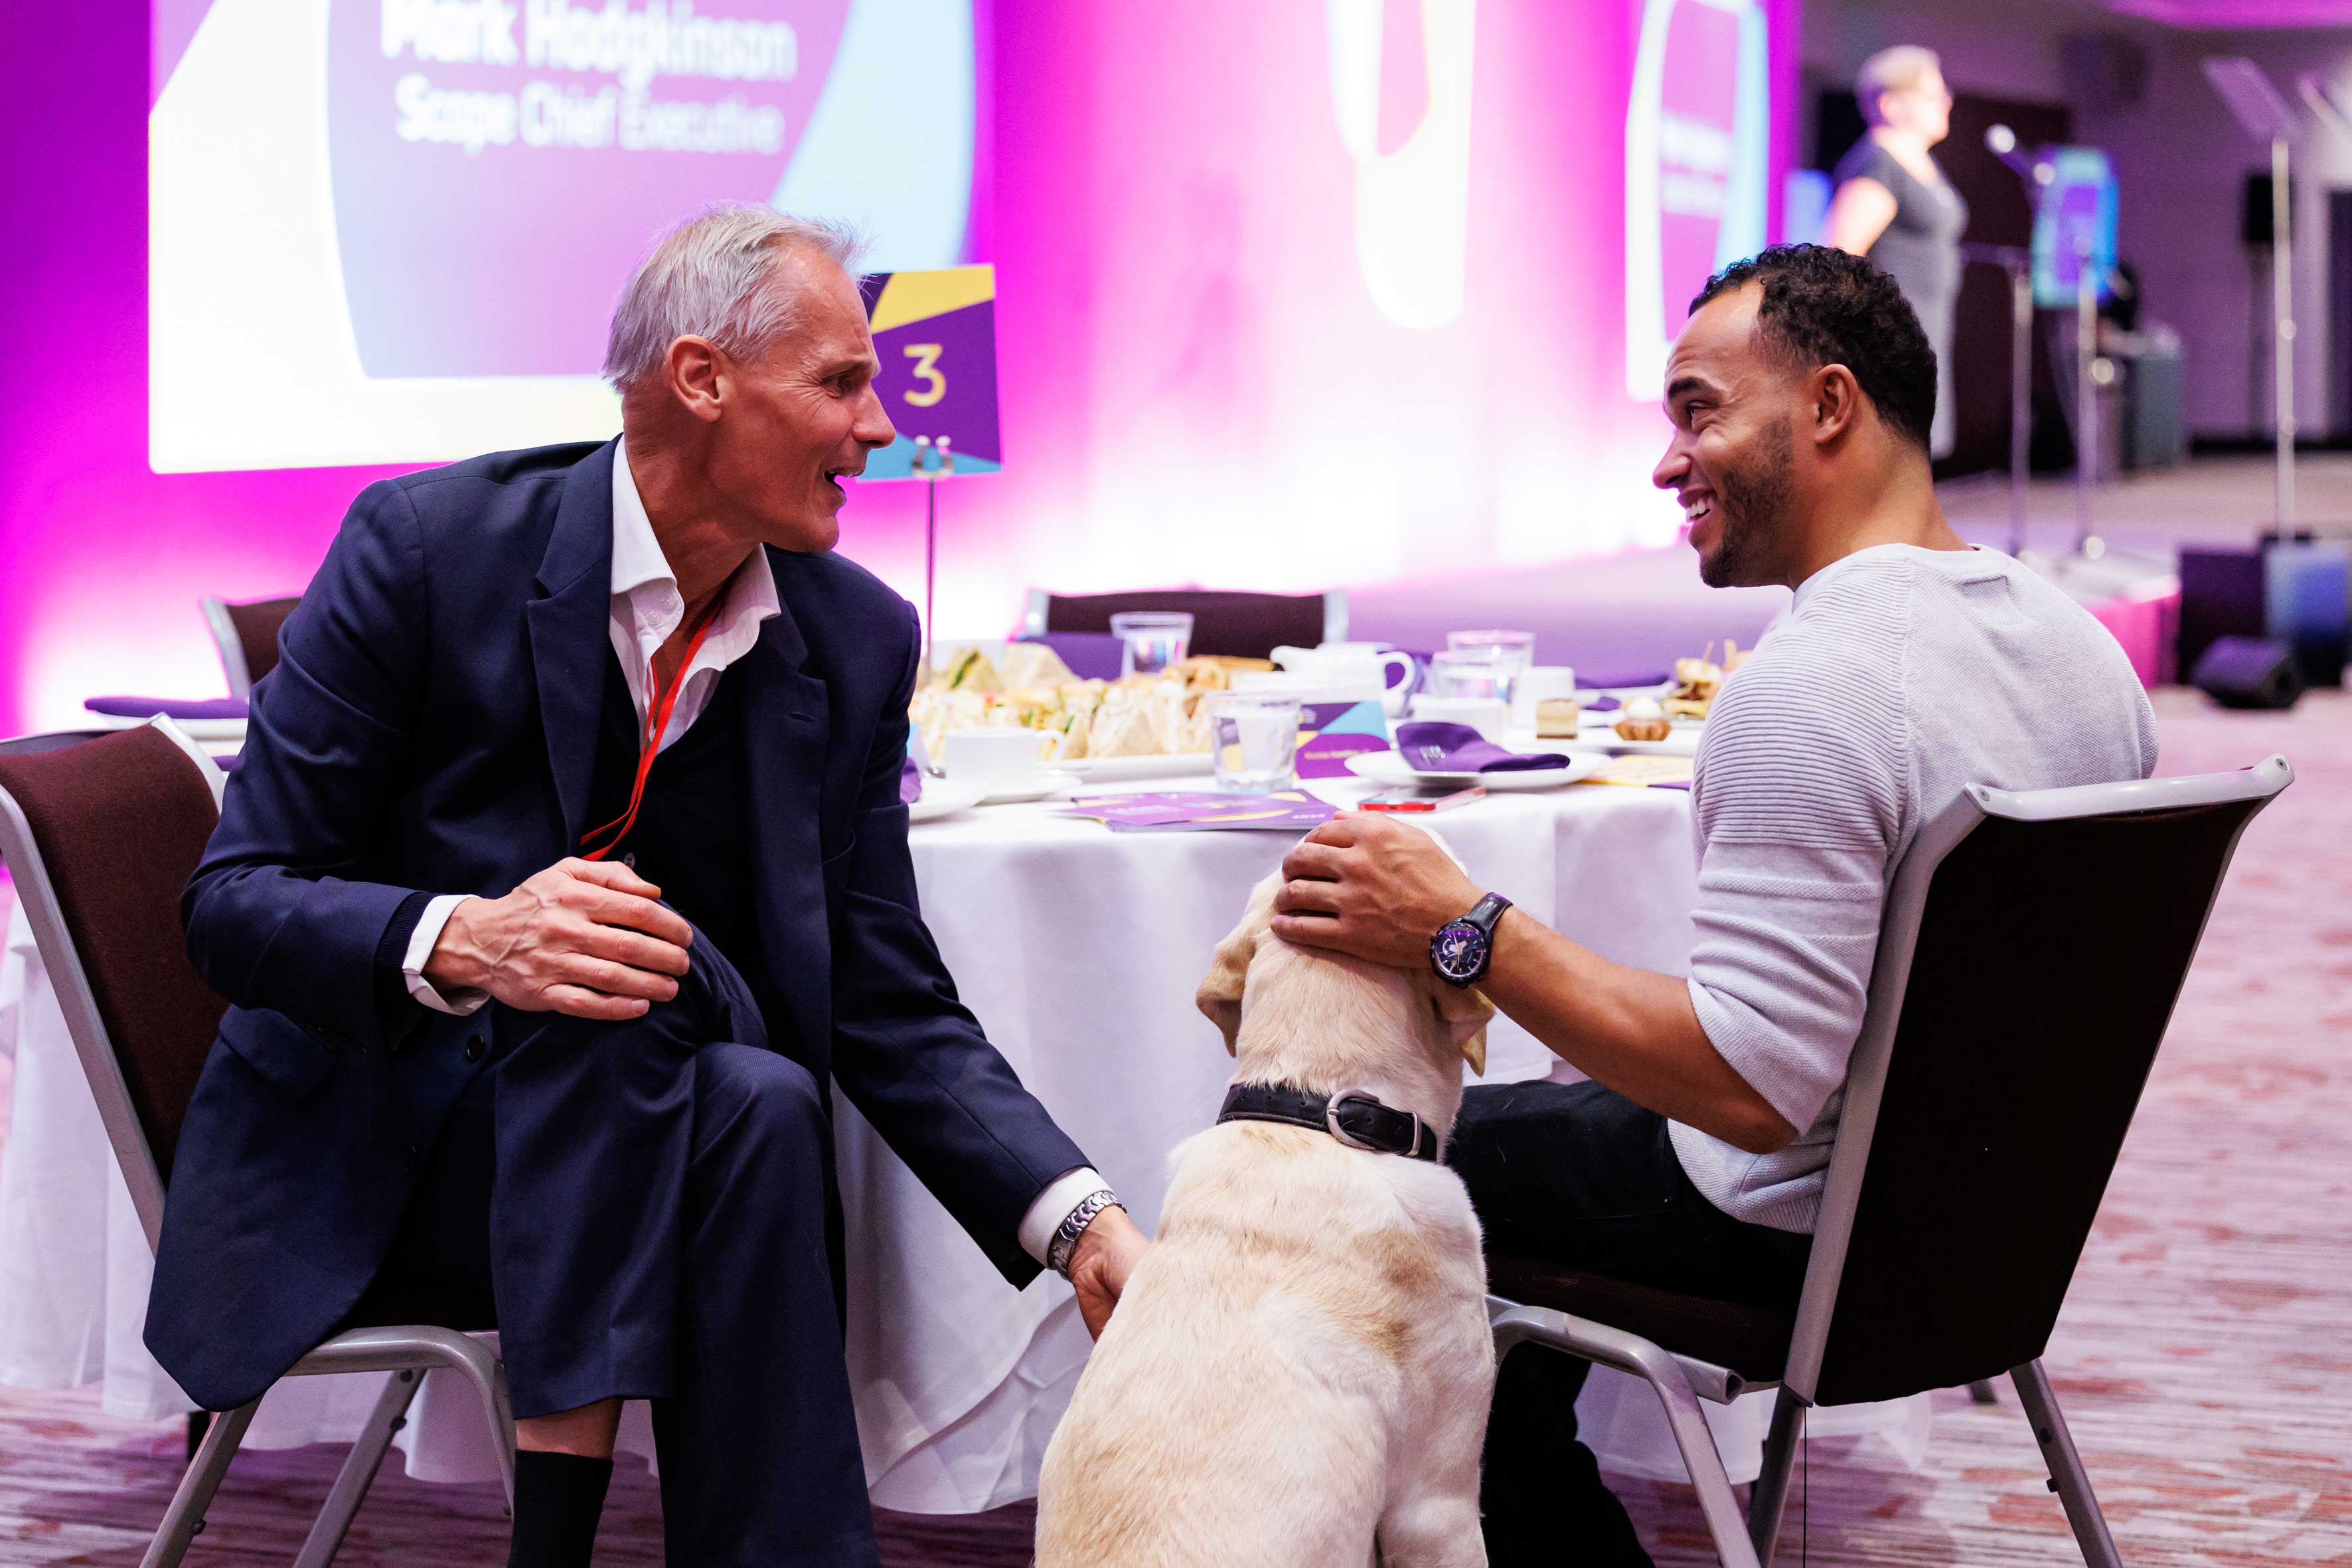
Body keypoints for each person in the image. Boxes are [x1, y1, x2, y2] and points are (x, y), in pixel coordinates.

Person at [146, 205, 1149, 1568]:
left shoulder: (851, 637)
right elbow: (236, 898)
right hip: (382, 1154)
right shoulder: (426, 549)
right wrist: (473, 937)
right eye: (841, 382)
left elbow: (882, 991)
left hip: (654, 1126)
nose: (879, 426)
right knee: (648, 1006)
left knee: (718, 1058)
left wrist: (1077, 1219)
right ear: (699, 379)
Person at [1269, 244, 2156, 1565]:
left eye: (1698, 409)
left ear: (1829, 407)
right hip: (1982, 1242)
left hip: (1799, 1236)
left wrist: (1460, 928)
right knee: (1509, 1148)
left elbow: (1751, 1088)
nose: (1667, 458)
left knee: (1345, 1159)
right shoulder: (2085, 655)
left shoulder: (1815, 684)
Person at [1824, 44, 1969, 459]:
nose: (1946, 103)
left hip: (1928, 328)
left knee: (1912, 458)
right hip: (1889, 339)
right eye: (1932, 94)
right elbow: (1836, 256)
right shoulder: (1878, 163)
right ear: (1890, 104)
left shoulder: (1921, 162)